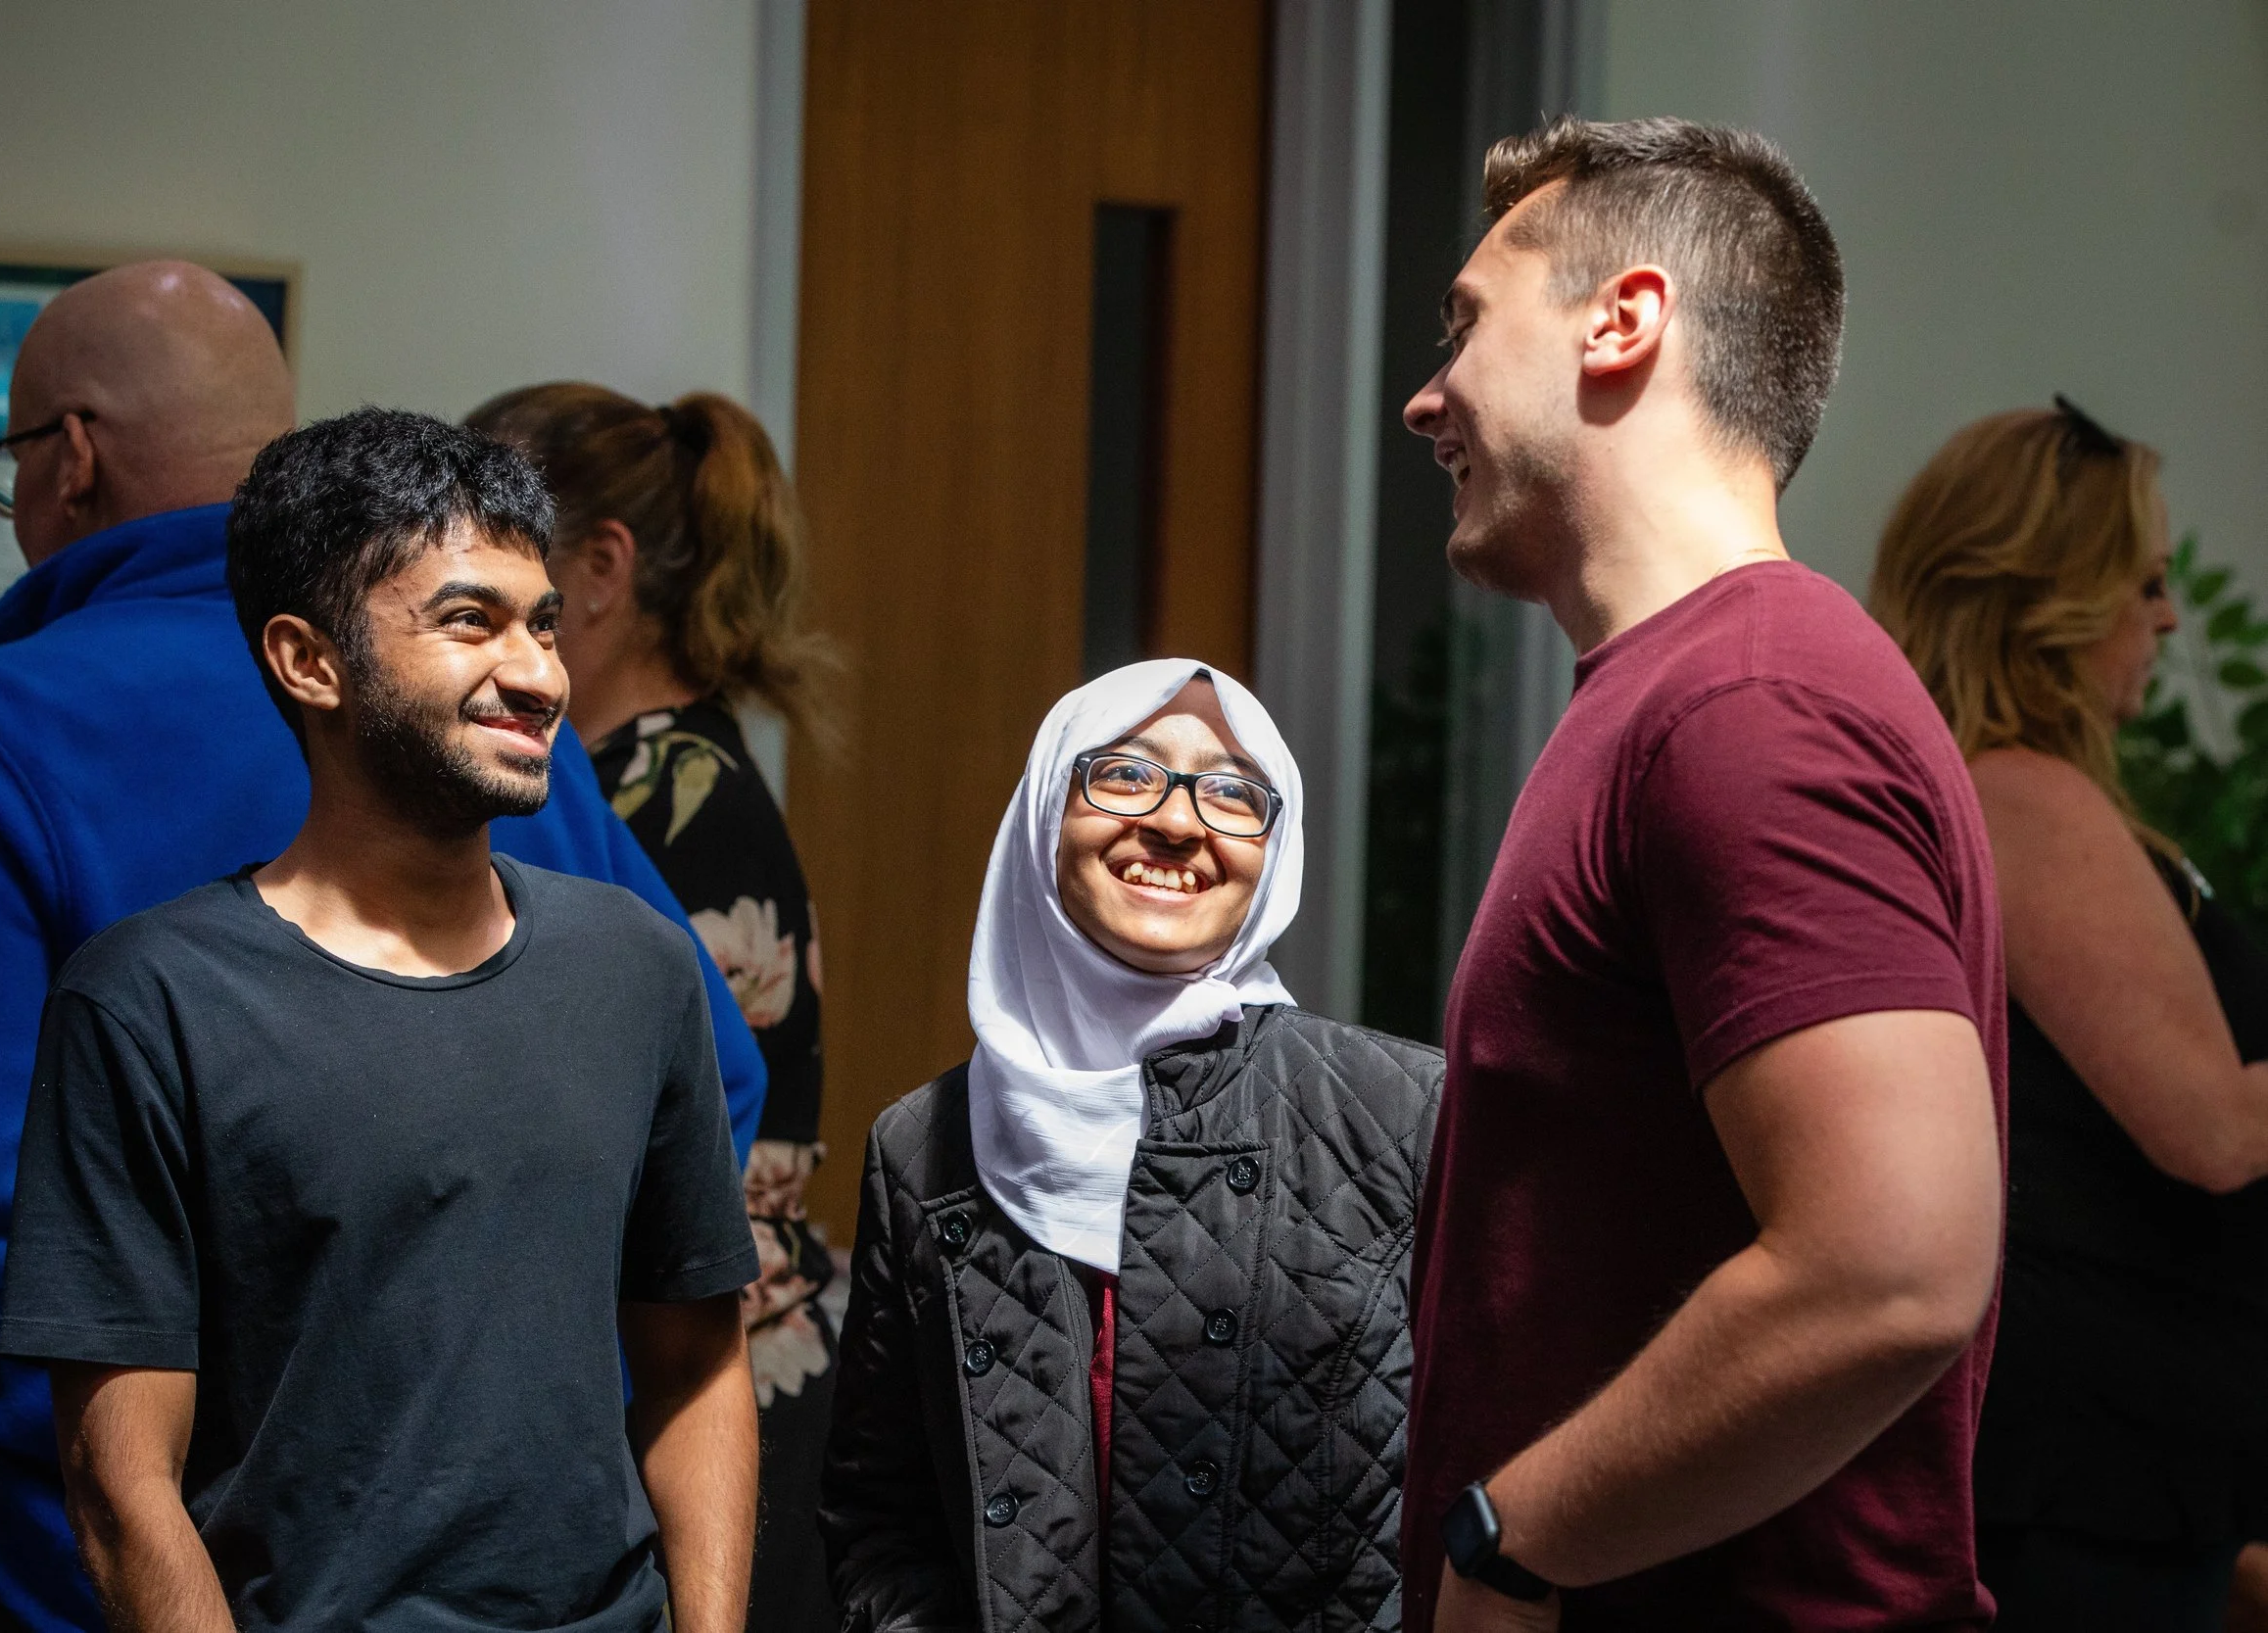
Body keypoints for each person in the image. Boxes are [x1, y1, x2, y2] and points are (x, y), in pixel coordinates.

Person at [0, 263, 767, 1633]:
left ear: (66, 457)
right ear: (305, 660)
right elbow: (723, 1094)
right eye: (481, 618)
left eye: (544, 622)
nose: (534, 669)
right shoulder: (152, 962)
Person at [1397, 117, 2006, 1631]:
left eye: (1468, 324)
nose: (1427, 397)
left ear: (1625, 320)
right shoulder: (1688, 693)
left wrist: (1507, 1542)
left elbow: (1894, 1262)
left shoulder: (1747, 705)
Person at [822, 659, 1443, 1631]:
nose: (1177, 821)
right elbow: (880, 1515)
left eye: (1234, 792)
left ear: (1275, 849)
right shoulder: (920, 1147)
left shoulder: (1401, 1113)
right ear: (1042, 814)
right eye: (1123, 773)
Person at [1871, 403, 2268, 1630]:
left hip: (2123, 1471)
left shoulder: (2000, 788)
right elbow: (2208, 1125)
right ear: (2045, 595)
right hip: (2092, 1481)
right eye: (2139, 579)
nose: (2168, 614)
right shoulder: (2017, 793)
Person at [464, 382, 840, 1633]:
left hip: (704, 1377)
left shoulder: (650, 796)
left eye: (500, 548)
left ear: (600, 567)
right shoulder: (651, 766)